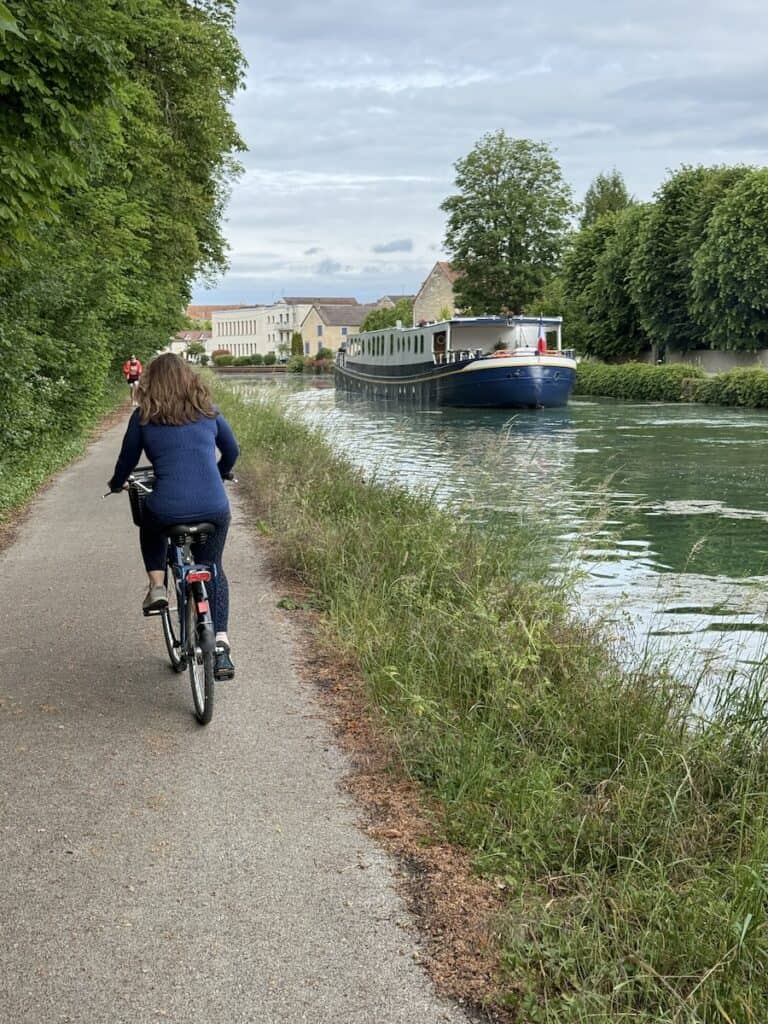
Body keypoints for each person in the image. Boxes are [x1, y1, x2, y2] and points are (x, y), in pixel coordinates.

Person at [108, 353, 239, 680]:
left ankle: (157, 586)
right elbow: (232, 451)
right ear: (188, 378)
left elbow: (126, 462)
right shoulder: (209, 412)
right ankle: (221, 643)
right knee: (213, 567)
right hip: (214, 506)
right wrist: (220, 473)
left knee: (150, 525)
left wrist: (116, 483)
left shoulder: (143, 417)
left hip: (167, 507)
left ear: (150, 381)